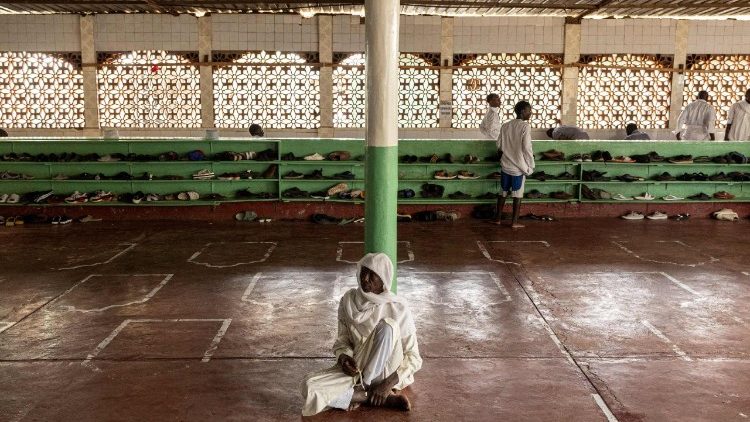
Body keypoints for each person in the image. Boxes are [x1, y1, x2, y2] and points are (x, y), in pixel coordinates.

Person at [301, 253, 422, 416]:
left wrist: (388, 383)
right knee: (308, 387)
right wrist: (344, 358)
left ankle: (364, 389)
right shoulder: (348, 301)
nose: (365, 278)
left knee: (388, 326)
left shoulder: (398, 307)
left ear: (384, 279)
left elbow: (414, 357)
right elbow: (343, 340)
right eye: (363, 272)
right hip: (358, 370)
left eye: (373, 275)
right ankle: (366, 397)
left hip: (387, 372)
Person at [493, 100, 534, 229]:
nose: (530, 113)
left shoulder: (506, 125)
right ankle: (514, 222)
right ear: (522, 111)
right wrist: (530, 166)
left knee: (503, 192)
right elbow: (527, 148)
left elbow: (499, 145)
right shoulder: (525, 126)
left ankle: (498, 219)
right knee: (517, 195)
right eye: (529, 110)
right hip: (518, 167)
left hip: (505, 165)